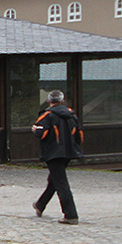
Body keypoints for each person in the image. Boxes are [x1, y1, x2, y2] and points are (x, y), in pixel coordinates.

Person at [32, 90, 84, 225]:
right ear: (62, 101)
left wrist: (34, 129)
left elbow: (41, 134)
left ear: (49, 102)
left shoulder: (47, 115)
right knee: (54, 179)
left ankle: (70, 215)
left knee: (61, 183)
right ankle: (40, 205)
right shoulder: (73, 116)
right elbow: (79, 137)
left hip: (53, 153)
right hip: (69, 153)